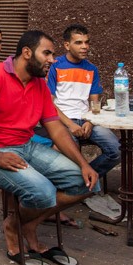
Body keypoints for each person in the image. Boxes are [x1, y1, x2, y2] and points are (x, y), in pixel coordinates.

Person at [0, 30, 99, 265]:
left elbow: (56, 130)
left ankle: (26, 223)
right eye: (47, 53)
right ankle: (13, 228)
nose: (52, 59)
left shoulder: (39, 83)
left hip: (26, 146)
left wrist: (84, 164)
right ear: (27, 53)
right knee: (43, 192)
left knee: (87, 182)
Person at [32, 24, 120, 179]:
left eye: (87, 42)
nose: (84, 47)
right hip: (63, 121)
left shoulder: (92, 69)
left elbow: (95, 102)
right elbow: (49, 103)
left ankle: (86, 179)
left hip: (87, 120)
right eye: (79, 43)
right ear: (67, 45)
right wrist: (70, 124)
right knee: (69, 156)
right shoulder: (54, 66)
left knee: (117, 151)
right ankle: (83, 181)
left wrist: (90, 121)